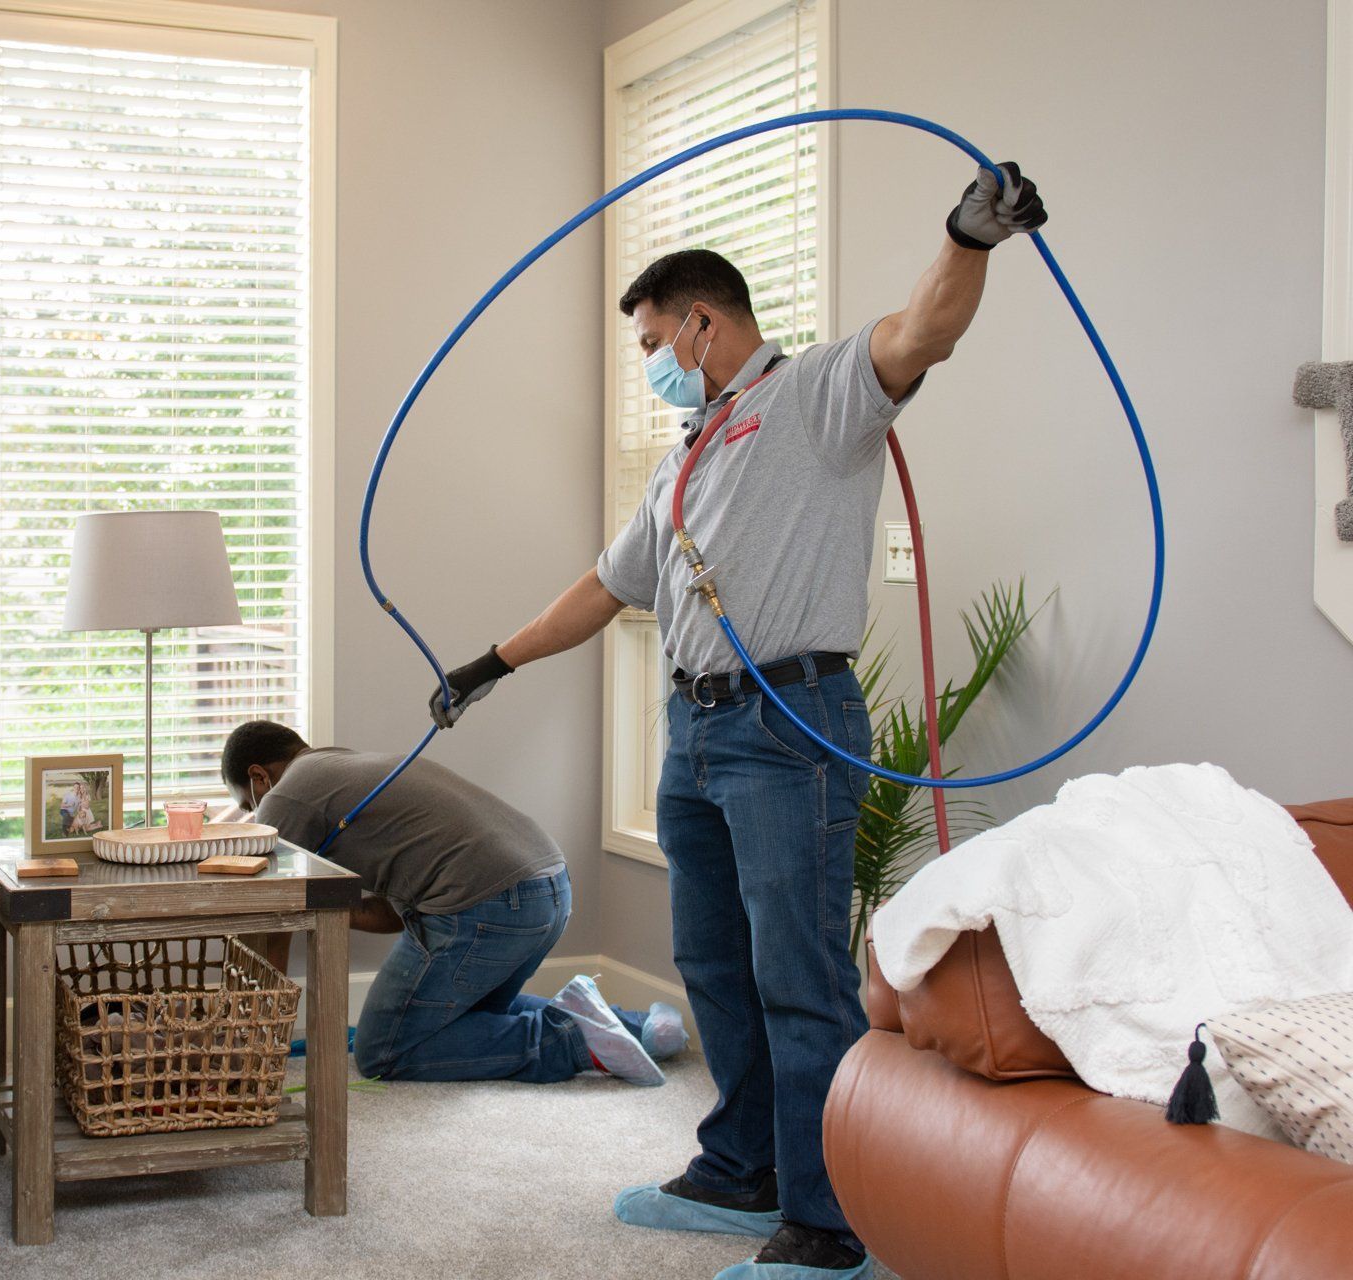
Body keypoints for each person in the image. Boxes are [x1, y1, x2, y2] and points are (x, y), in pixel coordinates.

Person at [425, 165, 1047, 1278]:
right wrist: (488, 663)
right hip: (696, 733)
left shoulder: (815, 396)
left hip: (790, 725)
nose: (653, 365)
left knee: (800, 973)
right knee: (712, 959)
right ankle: (742, 1164)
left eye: (656, 339)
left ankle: (832, 1218)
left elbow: (921, 332)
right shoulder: (682, 460)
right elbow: (606, 585)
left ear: (703, 324)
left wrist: (967, 237)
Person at [220, 719, 686, 1084]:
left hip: (491, 905)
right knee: (473, 1017)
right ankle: (639, 1027)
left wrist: (255, 1035)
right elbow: (390, 914)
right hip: (549, 890)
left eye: (248, 804)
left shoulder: (286, 795)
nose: (255, 815)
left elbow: (269, 920)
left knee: (383, 1051)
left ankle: (575, 1043)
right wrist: (317, 905)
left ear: (259, 776)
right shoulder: (342, 772)